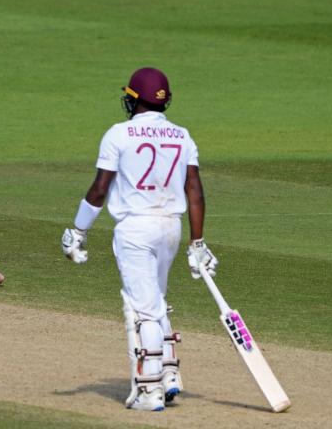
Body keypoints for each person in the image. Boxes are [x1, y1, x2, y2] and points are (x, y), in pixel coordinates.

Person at [60, 67, 218, 412]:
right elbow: (195, 191)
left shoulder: (119, 134)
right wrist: (198, 242)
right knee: (155, 299)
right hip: (171, 228)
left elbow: (100, 188)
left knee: (143, 307)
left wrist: (78, 230)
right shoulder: (182, 135)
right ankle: (170, 374)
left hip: (135, 229)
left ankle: (149, 391)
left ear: (132, 99)